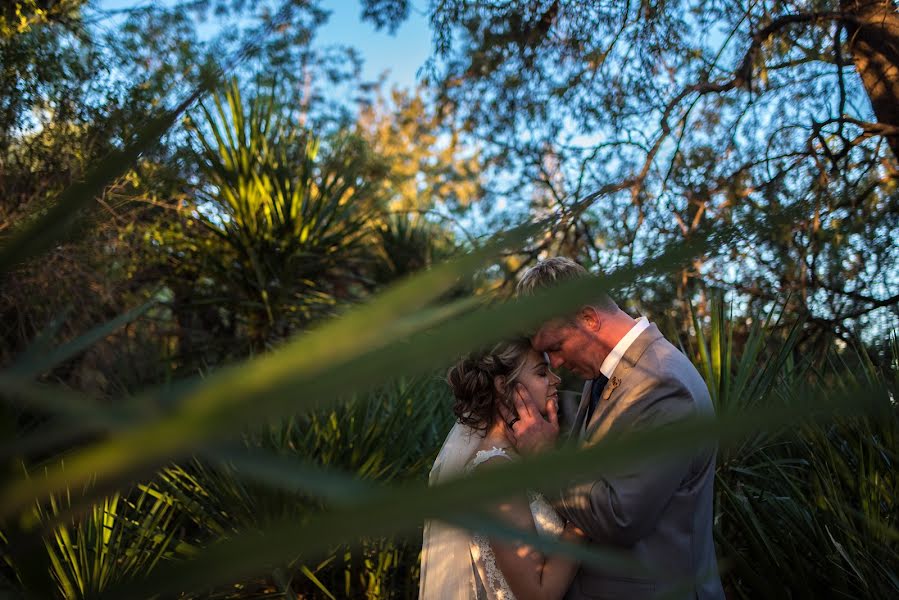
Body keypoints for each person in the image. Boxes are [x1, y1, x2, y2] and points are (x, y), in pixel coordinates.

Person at [504, 257, 725, 599]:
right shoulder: (605, 376)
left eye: (556, 348)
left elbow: (620, 516)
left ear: (589, 318)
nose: (557, 365)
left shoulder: (662, 384)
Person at [419, 337, 586, 600]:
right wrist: (586, 515)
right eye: (542, 373)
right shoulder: (496, 470)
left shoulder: (520, 458)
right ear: (503, 386)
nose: (556, 380)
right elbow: (538, 594)